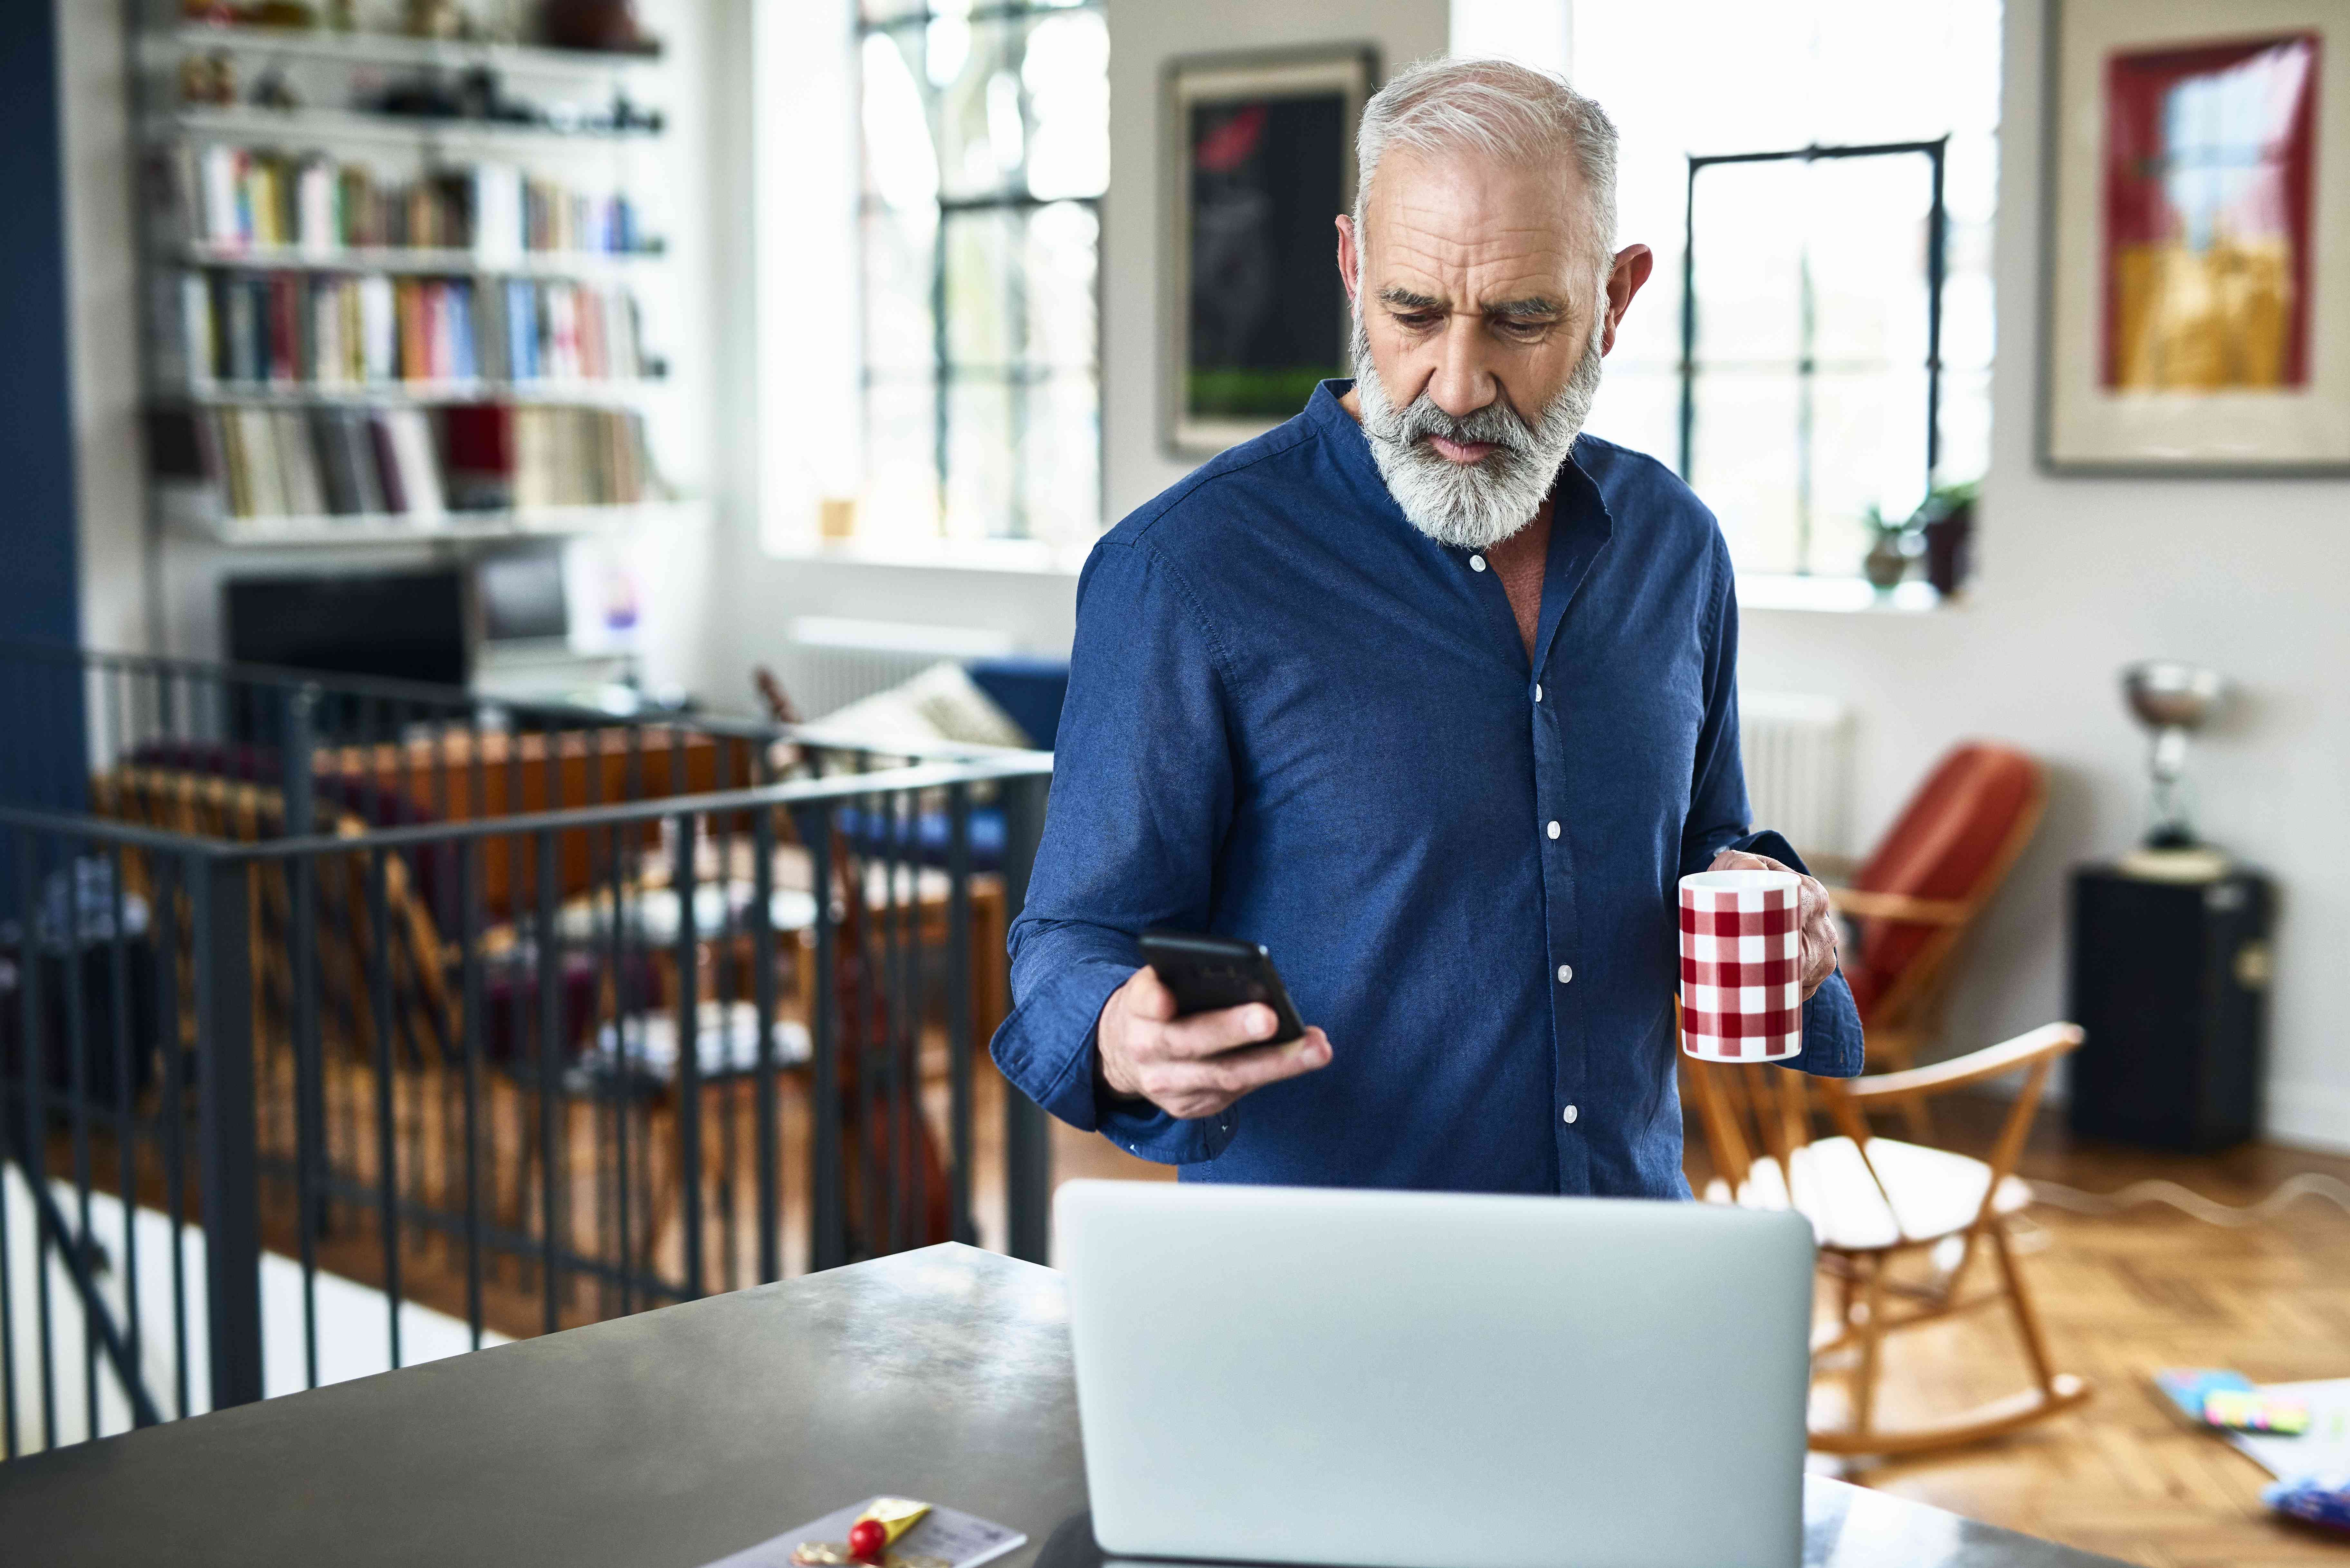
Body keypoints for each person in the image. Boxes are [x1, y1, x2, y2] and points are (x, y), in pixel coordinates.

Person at [989, 56, 1863, 1196]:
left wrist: (1783, 918)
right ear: (1354, 268)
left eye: (1522, 319)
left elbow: (1705, 845)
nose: (1457, 383)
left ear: (1617, 297)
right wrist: (1118, 1031)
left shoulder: (1676, 547)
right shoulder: (1186, 572)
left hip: (1627, 1266)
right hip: (1329, 1304)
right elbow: (1070, 940)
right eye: (1413, 311)